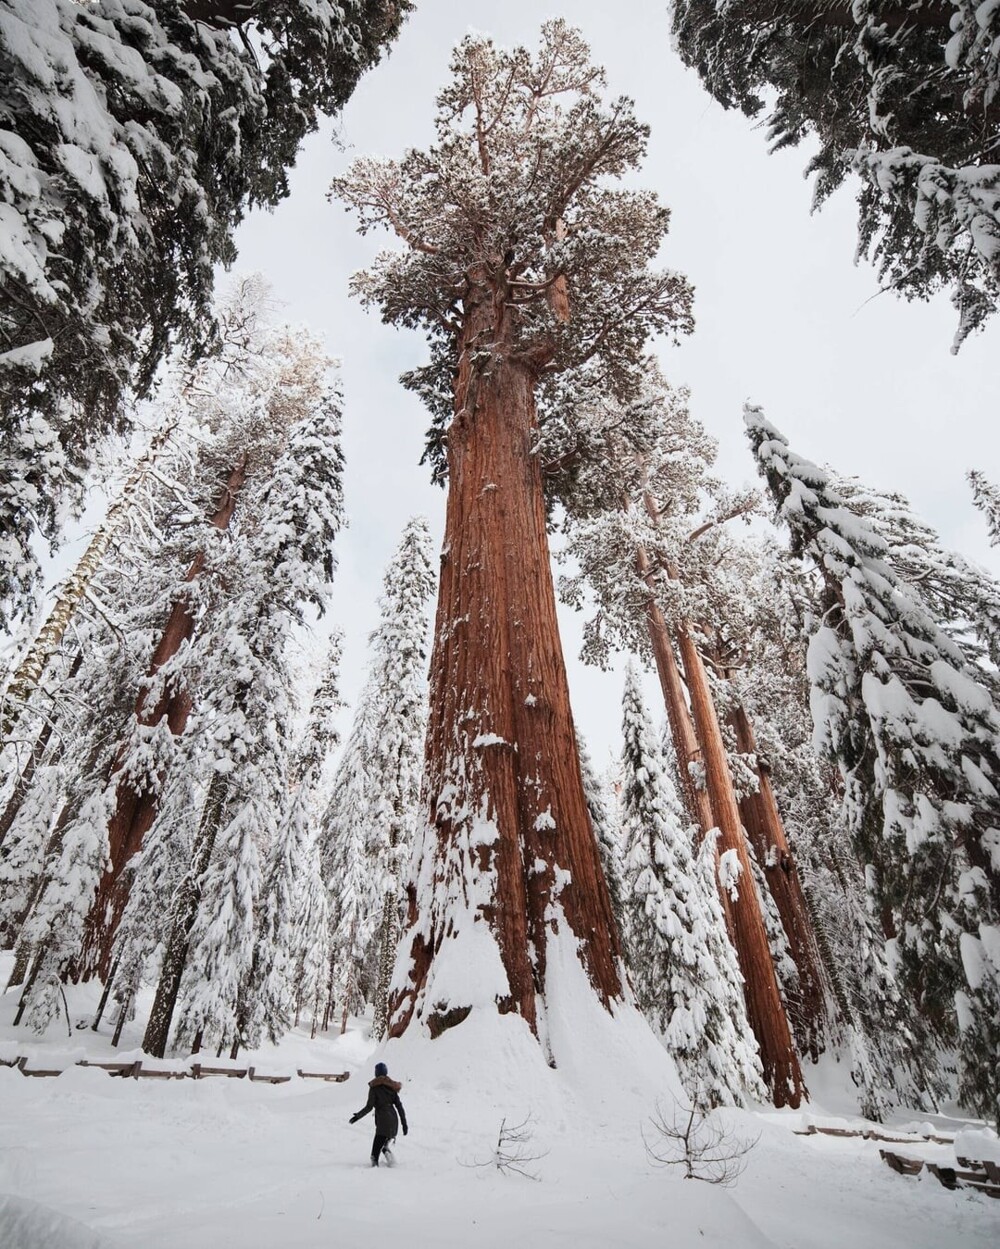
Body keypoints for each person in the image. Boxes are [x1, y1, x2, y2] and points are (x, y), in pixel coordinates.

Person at [350, 1061, 408, 1167]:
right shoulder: (392, 1087)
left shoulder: (374, 1088)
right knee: (384, 1145)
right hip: (394, 1121)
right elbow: (399, 1107)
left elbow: (369, 1107)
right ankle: (392, 1162)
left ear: (376, 1073)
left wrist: (357, 1116)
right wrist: (404, 1124)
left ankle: (375, 1169)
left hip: (383, 1121)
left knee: (375, 1153)